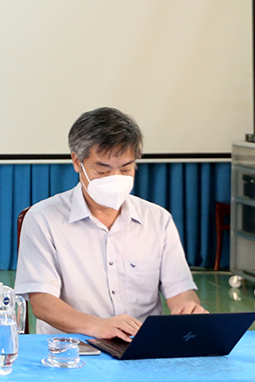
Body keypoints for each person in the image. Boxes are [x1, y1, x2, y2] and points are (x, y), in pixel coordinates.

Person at [14, 107, 206, 341]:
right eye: (103, 171)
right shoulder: (44, 219)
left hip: (141, 349)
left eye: (125, 169)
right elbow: (43, 303)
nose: (116, 179)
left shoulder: (157, 219)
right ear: (77, 161)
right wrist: (98, 327)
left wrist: (188, 309)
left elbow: (180, 291)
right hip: (72, 349)